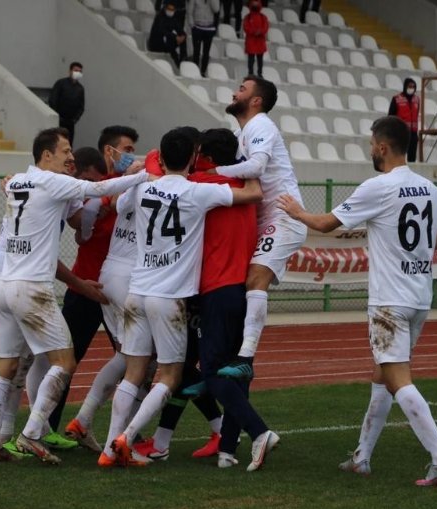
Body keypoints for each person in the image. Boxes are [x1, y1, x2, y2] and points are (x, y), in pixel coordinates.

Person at [277, 116, 437, 487]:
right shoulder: (429, 187)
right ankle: (362, 456)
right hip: (419, 296)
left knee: (397, 379)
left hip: (389, 300)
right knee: (382, 376)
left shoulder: (379, 186)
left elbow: (329, 224)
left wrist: (297, 212)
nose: (370, 149)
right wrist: (421, 249)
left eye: (371, 143)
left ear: (382, 146)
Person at [0, 127, 151, 465]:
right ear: (46, 155)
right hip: (29, 285)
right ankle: (32, 434)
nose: (71, 157)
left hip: (2, 282)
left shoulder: (18, 182)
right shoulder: (52, 182)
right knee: (64, 362)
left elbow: (78, 212)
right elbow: (99, 189)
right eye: (65, 151)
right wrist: (144, 174)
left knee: (7, 364)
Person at [102, 128, 263, 467]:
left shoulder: (144, 186)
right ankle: (126, 438)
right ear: (192, 157)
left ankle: (107, 451)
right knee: (170, 376)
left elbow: (119, 202)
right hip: (169, 296)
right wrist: (238, 167)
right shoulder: (199, 190)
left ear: (159, 158)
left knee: (132, 373)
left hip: (137, 291)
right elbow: (251, 193)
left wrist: (136, 171)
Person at [28, 126, 141, 450]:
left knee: (134, 360)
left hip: (117, 289)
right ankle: (44, 428)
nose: (131, 155)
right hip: (85, 285)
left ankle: (110, 428)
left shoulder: (128, 190)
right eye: (127, 148)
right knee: (64, 360)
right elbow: (81, 227)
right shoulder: (89, 190)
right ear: (110, 152)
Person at [209, 76, 308, 380]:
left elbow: (256, 168)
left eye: (242, 89)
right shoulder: (242, 131)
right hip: (261, 220)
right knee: (239, 283)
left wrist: (213, 173)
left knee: (255, 279)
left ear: (256, 101)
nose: (235, 91)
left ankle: (245, 357)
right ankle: (224, 357)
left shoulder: (261, 125)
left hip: (282, 216)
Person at [48, 62, 85, 144]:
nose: (78, 73)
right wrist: (57, 115)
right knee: (56, 141)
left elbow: (81, 107)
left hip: (70, 123)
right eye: (76, 70)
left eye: (80, 71)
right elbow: (53, 99)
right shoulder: (61, 83)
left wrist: (75, 119)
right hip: (58, 120)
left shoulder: (80, 88)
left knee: (68, 143)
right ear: (70, 71)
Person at [388, 78, 420, 163]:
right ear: (405, 86)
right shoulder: (396, 99)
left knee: (412, 157)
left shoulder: (417, 100)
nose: (411, 88)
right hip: (401, 132)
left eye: (413, 86)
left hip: (413, 133)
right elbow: (391, 116)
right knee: (399, 155)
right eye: (410, 86)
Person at [148, 3, 188, 67]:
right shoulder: (159, 17)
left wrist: (183, 36)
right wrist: (175, 37)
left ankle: (183, 60)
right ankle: (177, 62)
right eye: (169, 9)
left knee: (182, 39)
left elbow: (180, 30)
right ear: (165, 8)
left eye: (172, 10)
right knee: (170, 39)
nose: (170, 11)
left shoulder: (173, 19)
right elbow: (162, 31)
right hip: (156, 43)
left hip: (167, 42)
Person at [188, 0, 220, 78]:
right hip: (197, 27)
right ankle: (195, 70)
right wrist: (192, 25)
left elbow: (216, 9)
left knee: (206, 52)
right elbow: (189, 11)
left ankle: (203, 72)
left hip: (209, 28)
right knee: (196, 51)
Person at [243, 0, 269, 78]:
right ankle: (251, 73)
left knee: (259, 59)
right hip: (252, 40)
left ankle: (259, 73)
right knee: (251, 59)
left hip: (259, 41)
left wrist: (260, 32)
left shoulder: (263, 17)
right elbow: (246, 27)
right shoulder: (248, 17)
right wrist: (255, 32)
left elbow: (265, 27)